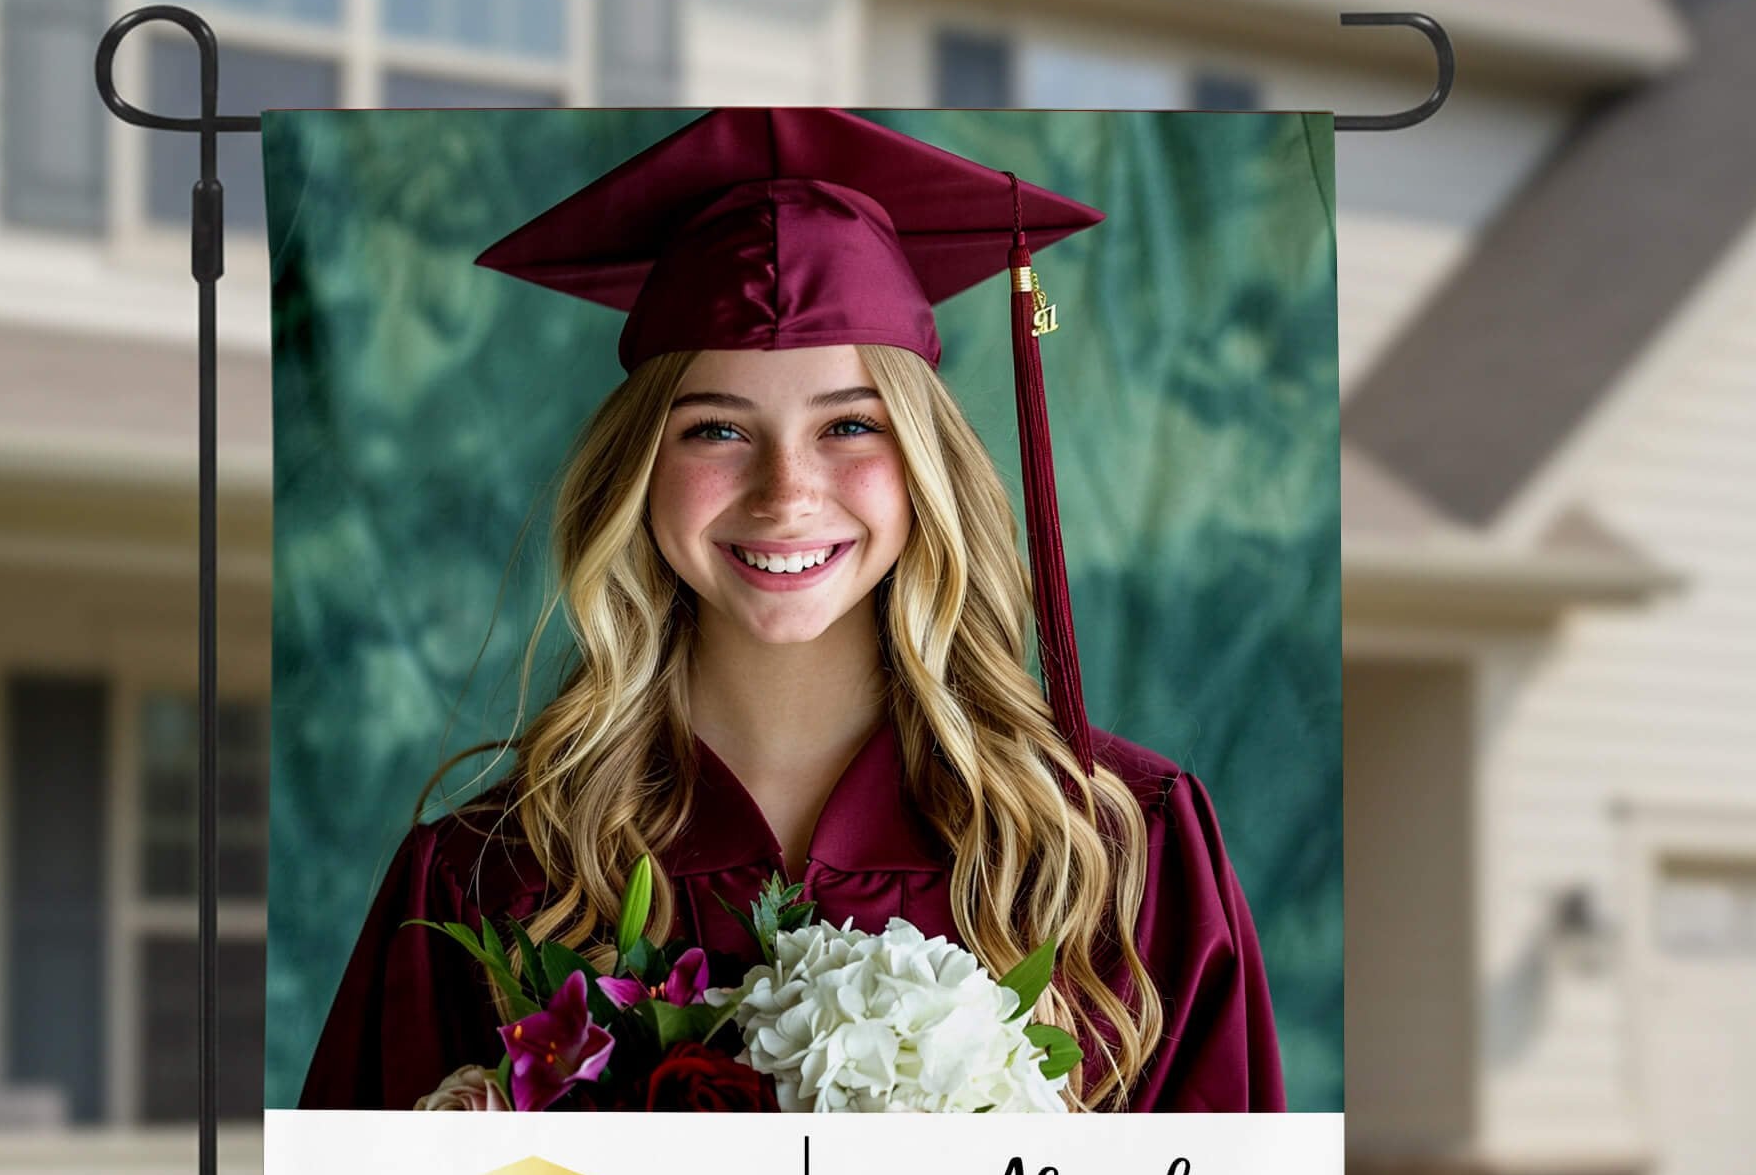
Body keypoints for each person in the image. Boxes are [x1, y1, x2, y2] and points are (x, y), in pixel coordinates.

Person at [297, 108, 1284, 1114]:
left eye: (848, 424)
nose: (784, 492)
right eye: (715, 428)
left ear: (924, 465)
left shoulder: (1105, 845)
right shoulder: (493, 879)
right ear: (635, 474)